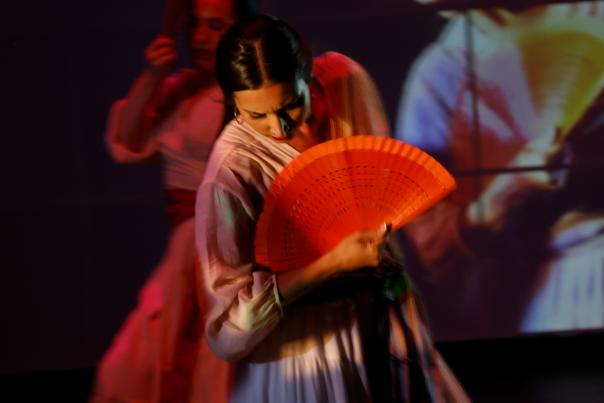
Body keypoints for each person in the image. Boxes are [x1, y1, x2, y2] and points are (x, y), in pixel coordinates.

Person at [195, 15, 469, 403]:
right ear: (232, 101)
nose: (278, 127)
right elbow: (229, 328)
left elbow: (380, 181)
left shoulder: (345, 81)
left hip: (384, 320)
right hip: (309, 353)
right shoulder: (232, 170)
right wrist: (331, 264)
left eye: (291, 104)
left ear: (307, 73)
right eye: (256, 115)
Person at [394, 3, 604, 338]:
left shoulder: (592, 15)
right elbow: (431, 246)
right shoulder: (441, 71)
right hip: (541, 296)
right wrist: (506, 194)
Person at [90, 1, 256, 402]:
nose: (200, 37)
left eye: (215, 26)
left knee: (216, 372)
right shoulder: (179, 89)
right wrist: (153, 76)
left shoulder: (250, 95)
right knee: (129, 370)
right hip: (183, 252)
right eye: (196, 25)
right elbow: (127, 143)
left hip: (225, 251)